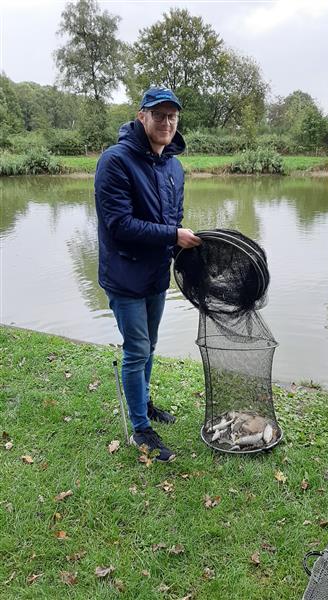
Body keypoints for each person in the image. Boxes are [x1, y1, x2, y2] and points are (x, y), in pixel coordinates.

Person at [95, 86, 201, 462]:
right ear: (141, 116)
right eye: (158, 114)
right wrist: (173, 235)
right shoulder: (115, 161)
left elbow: (174, 218)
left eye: (172, 116)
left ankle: (144, 402)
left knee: (149, 346)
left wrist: (182, 245)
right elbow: (120, 225)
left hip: (156, 275)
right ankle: (140, 428)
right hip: (124, 274)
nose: (166, 122)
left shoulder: (174, 167)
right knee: (137, 349)